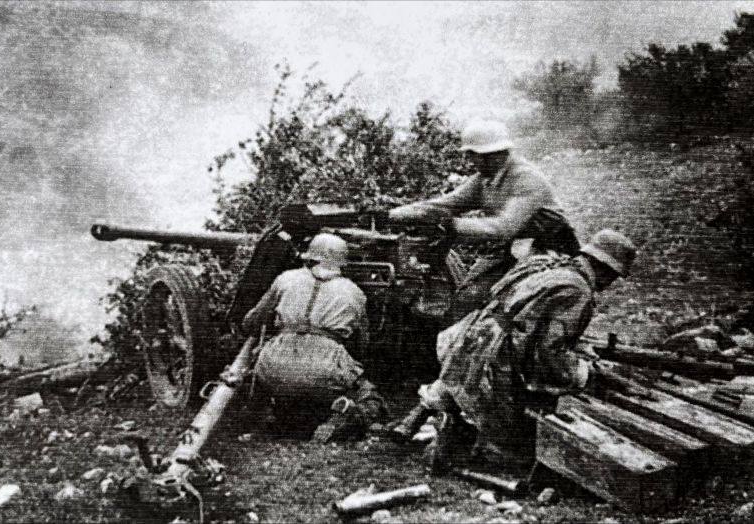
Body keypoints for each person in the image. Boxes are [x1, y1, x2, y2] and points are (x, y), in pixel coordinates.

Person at [389, 229, 637, 471]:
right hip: (498, 356)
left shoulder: (547, 264)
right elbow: (549, 352)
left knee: (462, 386)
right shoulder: (576, 289)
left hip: (475, 336)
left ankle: (442, 417)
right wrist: (585, 373)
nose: (609, 283)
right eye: (614, 276)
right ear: (605, 269)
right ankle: (456, 439)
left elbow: (527, 317)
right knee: (514, 457)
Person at [388, 119, 580, 321]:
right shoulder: (485, 179)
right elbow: (445, 204)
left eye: (474, 156)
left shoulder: (528, 179)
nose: (471, 162)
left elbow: (503, 227)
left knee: (517, 308)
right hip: (510, 250)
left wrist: (449, 224)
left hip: (548, 253)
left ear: (489, 155)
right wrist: (393, 214)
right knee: (465, 300)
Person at [242, 233, 386, 443]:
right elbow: (363, 343)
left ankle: (262, 417)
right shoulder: (355, 292)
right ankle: (341, 420)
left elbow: (251, 322)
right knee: (371, 398)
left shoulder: (286, 279)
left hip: (275, 362)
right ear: (342, 263)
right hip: (325, 366)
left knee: (263, 369)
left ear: (309, 259)